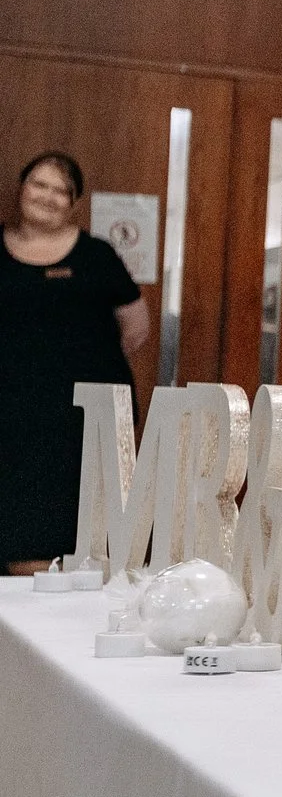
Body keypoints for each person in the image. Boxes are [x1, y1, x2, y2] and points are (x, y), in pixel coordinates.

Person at [1, 152, 148, 574]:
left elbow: (136, 328)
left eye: (60, 189)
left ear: (74, 202)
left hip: (81, 420)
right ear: (21, 187)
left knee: (74, 522)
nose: (47, 196)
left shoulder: (96, 256)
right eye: (38, 184)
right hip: (11, 417)